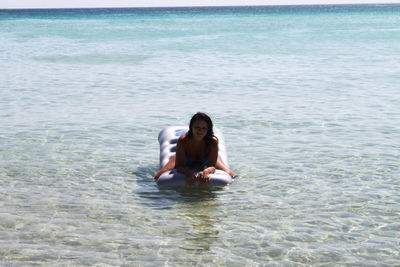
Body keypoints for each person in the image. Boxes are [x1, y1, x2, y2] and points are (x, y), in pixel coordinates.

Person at [154, 112, 234, 184]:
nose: (200, 131)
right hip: (186, 157)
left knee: (231, 174)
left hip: (206, 158)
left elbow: (212, 165)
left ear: (208, 130)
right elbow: (179, 166)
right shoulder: (183, 140)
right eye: (197, 127)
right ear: (191, 127)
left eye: (203, 128)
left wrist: (207, 171)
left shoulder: (212, 141)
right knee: (158, 176)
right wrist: (188, 173)